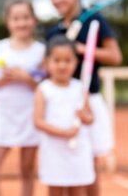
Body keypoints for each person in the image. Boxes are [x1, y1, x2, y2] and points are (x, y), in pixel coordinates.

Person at [47, 0, 122, 196]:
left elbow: (115, 56)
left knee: (88, 164)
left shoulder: (95, 21)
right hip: (61, 105)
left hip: (89, 100)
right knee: (64, 164)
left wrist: (82, 50)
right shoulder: (54, 31)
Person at [0, 0, 45, 196]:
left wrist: (26, 78)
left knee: (27, 171)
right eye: (16, 18)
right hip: (3, 117)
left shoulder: (42, 51)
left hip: (30, 116)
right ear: (8, 22)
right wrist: (3, 80)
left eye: (26, 17)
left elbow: (47, 88)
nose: (21, 22)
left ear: (34, 20)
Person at [34, 35, 95, 196]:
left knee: (78, 189)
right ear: (47, 63)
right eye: (57, 60)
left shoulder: (80, 88)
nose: (62, 65)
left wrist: (84, 116)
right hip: (54, 150)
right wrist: (64, 133)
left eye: (68, 60)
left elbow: (90, 119)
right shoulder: (44, 89)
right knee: (55, 188)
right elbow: (38, 121)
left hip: (78, 149)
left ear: (76, 62)